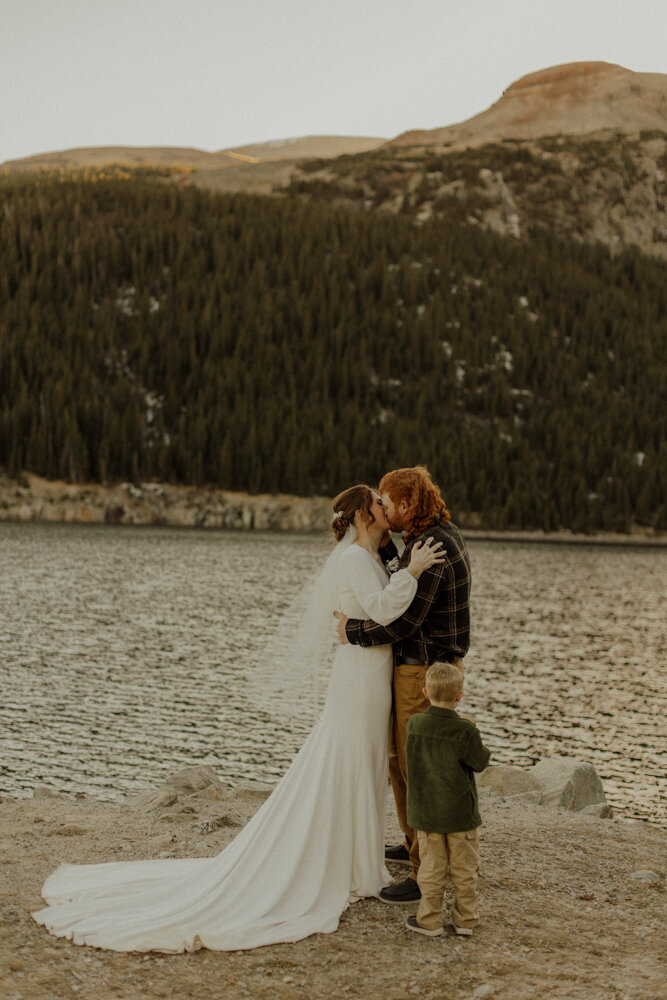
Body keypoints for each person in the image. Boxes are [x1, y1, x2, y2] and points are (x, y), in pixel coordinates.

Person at [32, 484, 444, 953]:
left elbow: (374, 607)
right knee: (349, 761)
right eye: (377, 502)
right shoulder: (354, 558)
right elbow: (384, 609)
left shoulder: (372, 554)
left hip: (371, 673)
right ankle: (345, 864)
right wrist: (411, 571)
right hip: (360, 680)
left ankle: (358, 859)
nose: (384, 507)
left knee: (365, 764)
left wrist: (399, 569)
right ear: (362, 514)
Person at [335, 466, 471, 904]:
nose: (384, 507)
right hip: (420, 667)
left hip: (422, 668)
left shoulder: (430, 548)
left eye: (388, 502)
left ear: (407, 506)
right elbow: (399, 574)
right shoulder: (431, 536)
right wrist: (384, 541)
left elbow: (403, 622)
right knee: (400, 764)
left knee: (416, 770)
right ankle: (415, 846)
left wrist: (351, 632)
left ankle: (422, 873)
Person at [404, 661, 490, 938]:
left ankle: (429, 920)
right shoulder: (465, 730)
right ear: (460, 696)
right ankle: (465, 920)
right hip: (460, 815)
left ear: (426, 693)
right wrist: (471, 729)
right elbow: (479, 762)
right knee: (465, 869)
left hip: (427, 814)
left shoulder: (414, 724)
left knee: (431, 868)